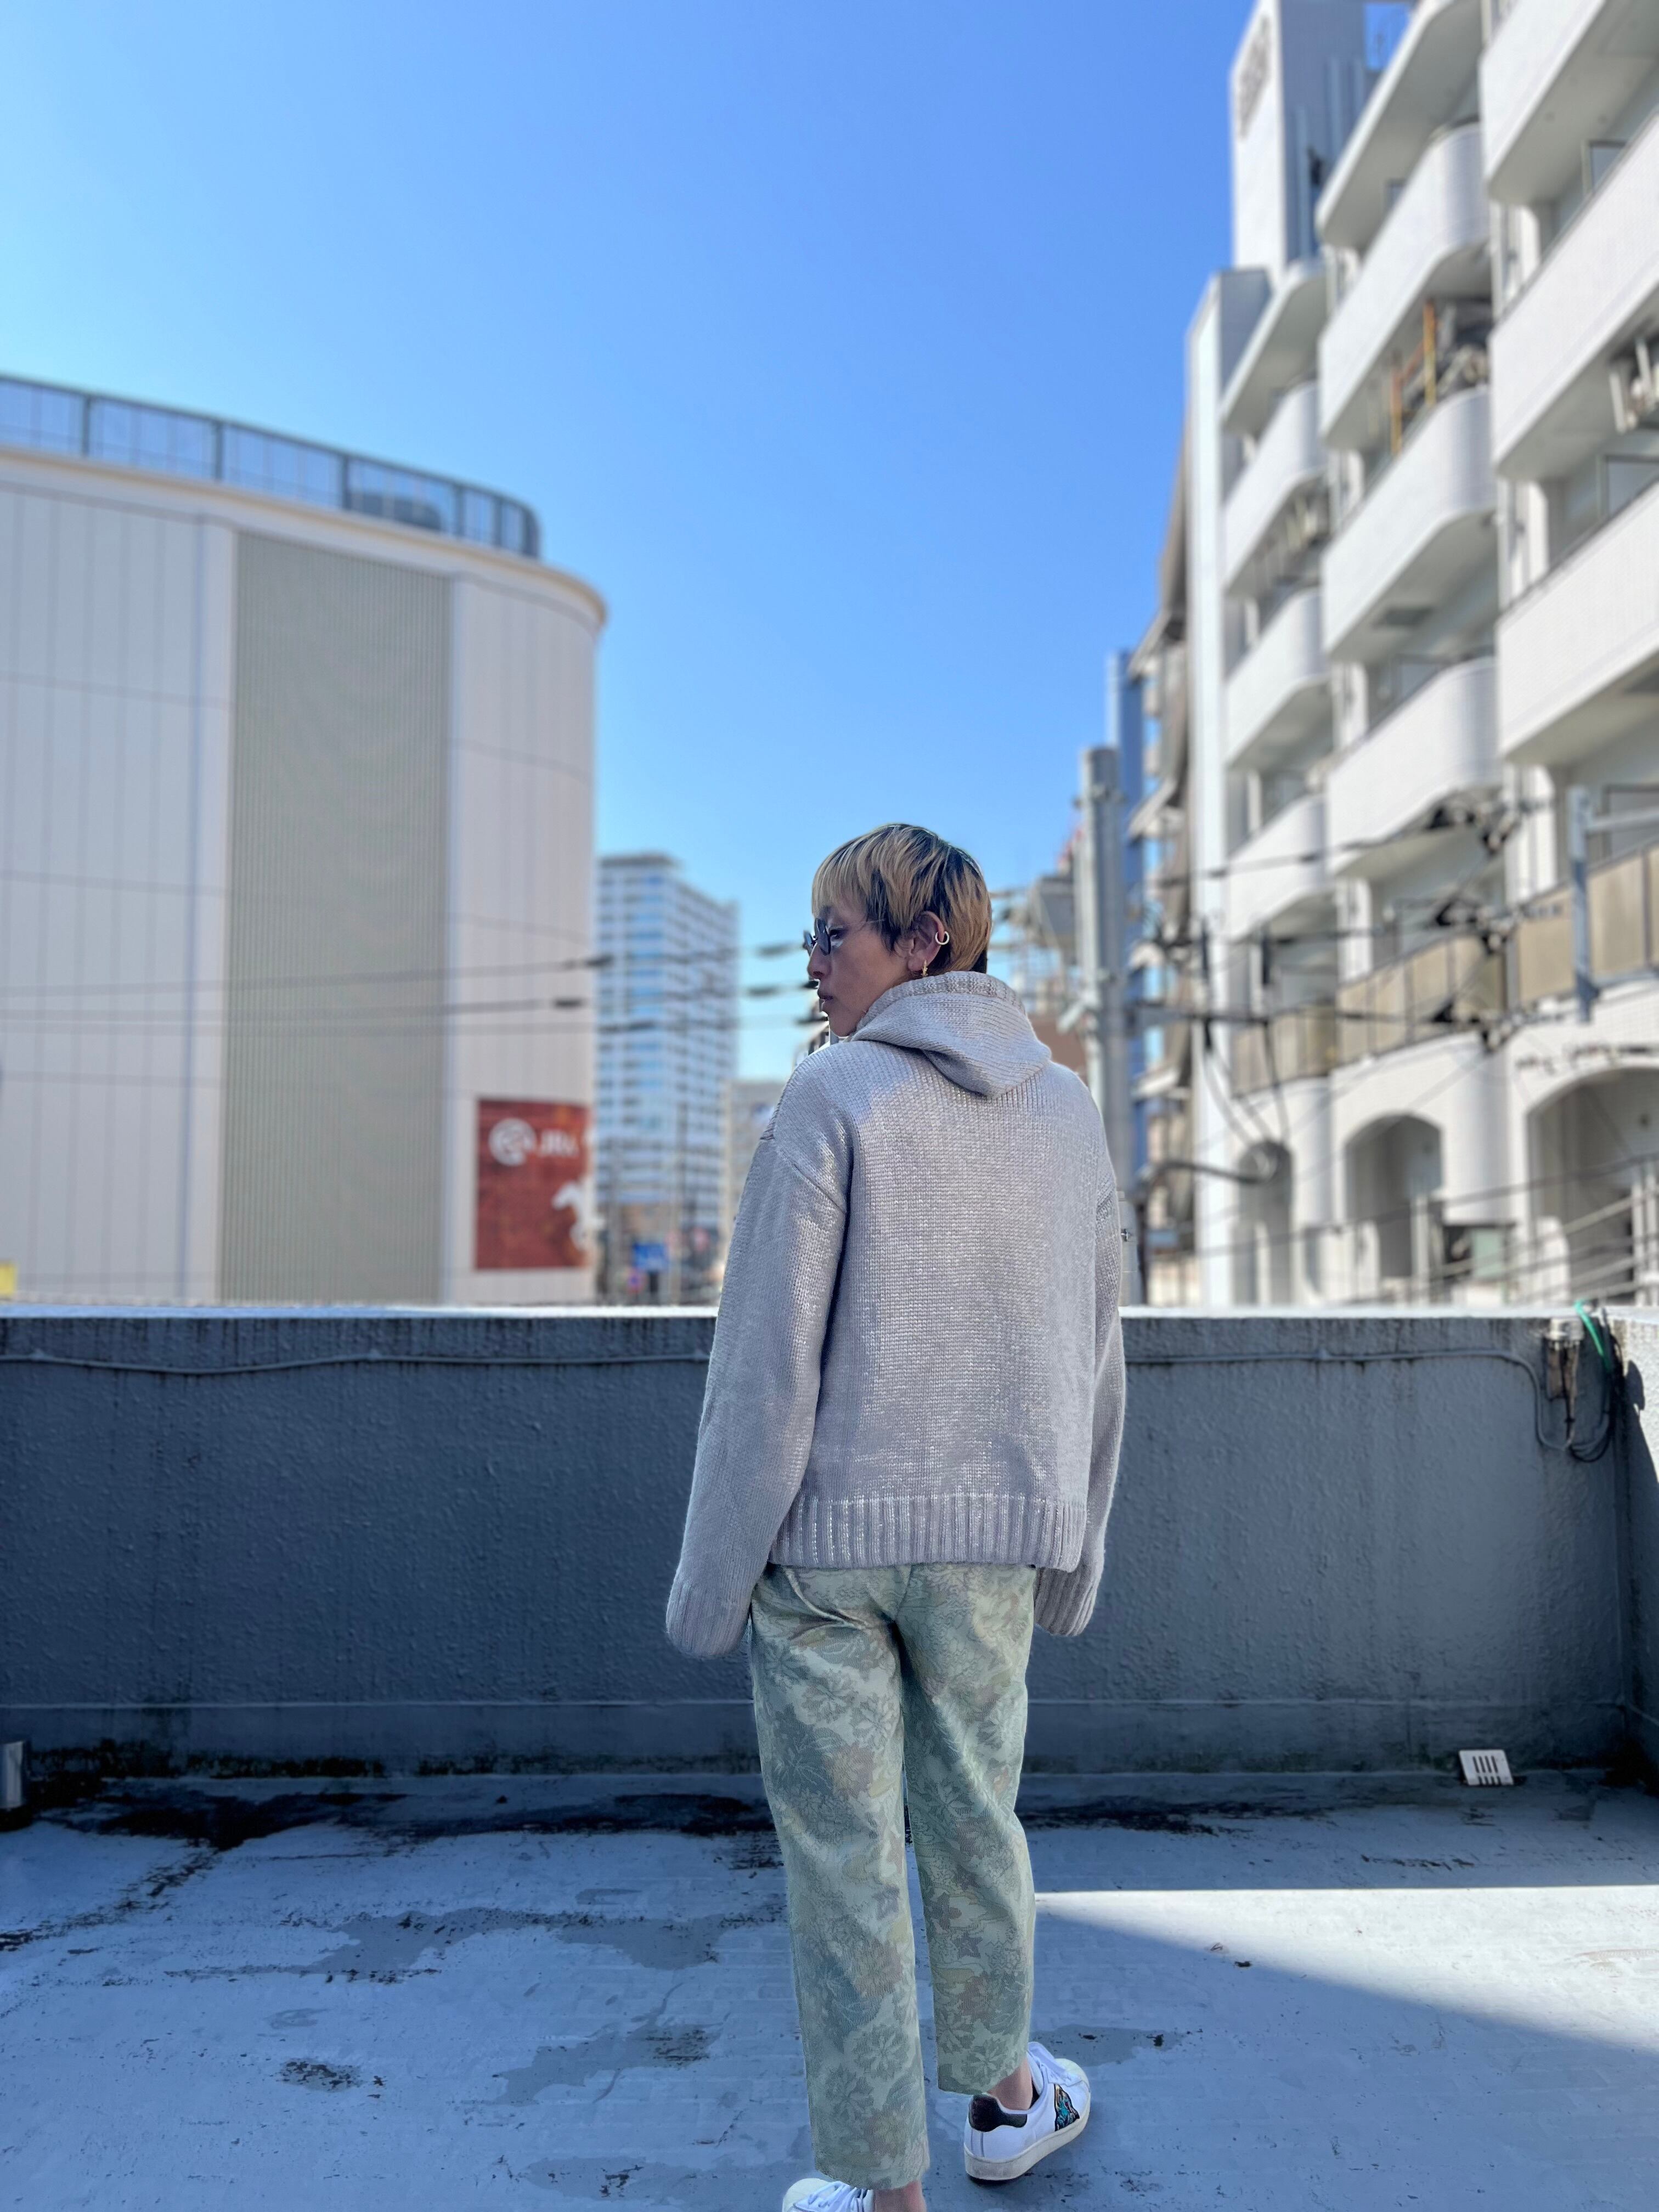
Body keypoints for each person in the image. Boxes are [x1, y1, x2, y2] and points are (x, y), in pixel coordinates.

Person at [665, 823, 1126, 2211]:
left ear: (926, 942)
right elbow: (1097, 1352)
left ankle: (887, 2193)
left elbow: (764, 1367)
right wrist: (1076, 1549)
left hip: (824, 1558)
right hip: (993, 1545)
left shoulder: (831, 1095)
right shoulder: (1069, 1110)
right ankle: (1008, 2105)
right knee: (978, 1822)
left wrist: (709, 1586)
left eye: (834, 933)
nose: (811, 962)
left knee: (845, 1864)